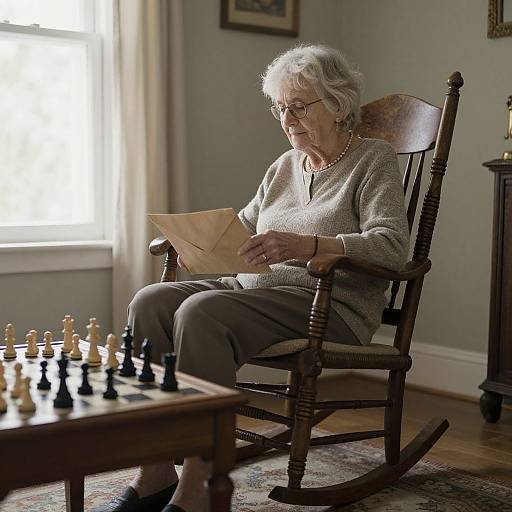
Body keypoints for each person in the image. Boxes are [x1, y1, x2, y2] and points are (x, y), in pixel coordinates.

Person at [95, 44, 409, 512]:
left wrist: (309, 246)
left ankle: (201, 479)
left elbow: (391, 247)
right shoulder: (284, 165)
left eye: (299, 106)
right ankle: (155, 468)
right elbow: (242, 230)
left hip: (329, 301)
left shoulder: (372, 160)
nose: (287, 118)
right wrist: (197, 240)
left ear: (338, 103)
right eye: (280, 108)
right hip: (253, 290)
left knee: (203, 313)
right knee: (150, 301)